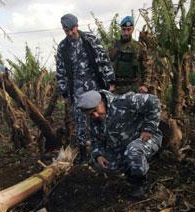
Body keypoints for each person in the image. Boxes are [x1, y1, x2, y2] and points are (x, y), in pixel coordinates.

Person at [77, 90, 163, 198]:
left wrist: (149, 128)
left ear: (101, 102)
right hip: (123, 145)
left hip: (147, 138)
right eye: (90, 114)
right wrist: (98, 155)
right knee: (104, 165)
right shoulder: (94, 121)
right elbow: (96, 141)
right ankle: (130, 174)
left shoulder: (124, 102)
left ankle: (141, 183)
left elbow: (153, 101)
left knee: (133, 152)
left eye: (95, 110)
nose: (95, 115)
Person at [56, 13, 115, 161]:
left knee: (100, 116)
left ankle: (104, 149)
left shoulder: (90, 39)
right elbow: (60, 71)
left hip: (94, 86)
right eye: (66, 31)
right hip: (76, 90)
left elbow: (103, 59)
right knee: (80, 121)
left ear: (76, 26)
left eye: (71, 29)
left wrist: (110, 80)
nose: (69, 33)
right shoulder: (63, 47)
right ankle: (83, 155)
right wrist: (64, 92)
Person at [109, 16, 148, 94]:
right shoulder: (114, 46)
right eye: (124, 29)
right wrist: (109, 83)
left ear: (133, 29)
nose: (126, 33)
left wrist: (145, 85)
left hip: (134, 87)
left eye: (128, 29)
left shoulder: (139, 47)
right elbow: (107, 66)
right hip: (116, 88)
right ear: (121, 29)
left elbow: (146, 68)